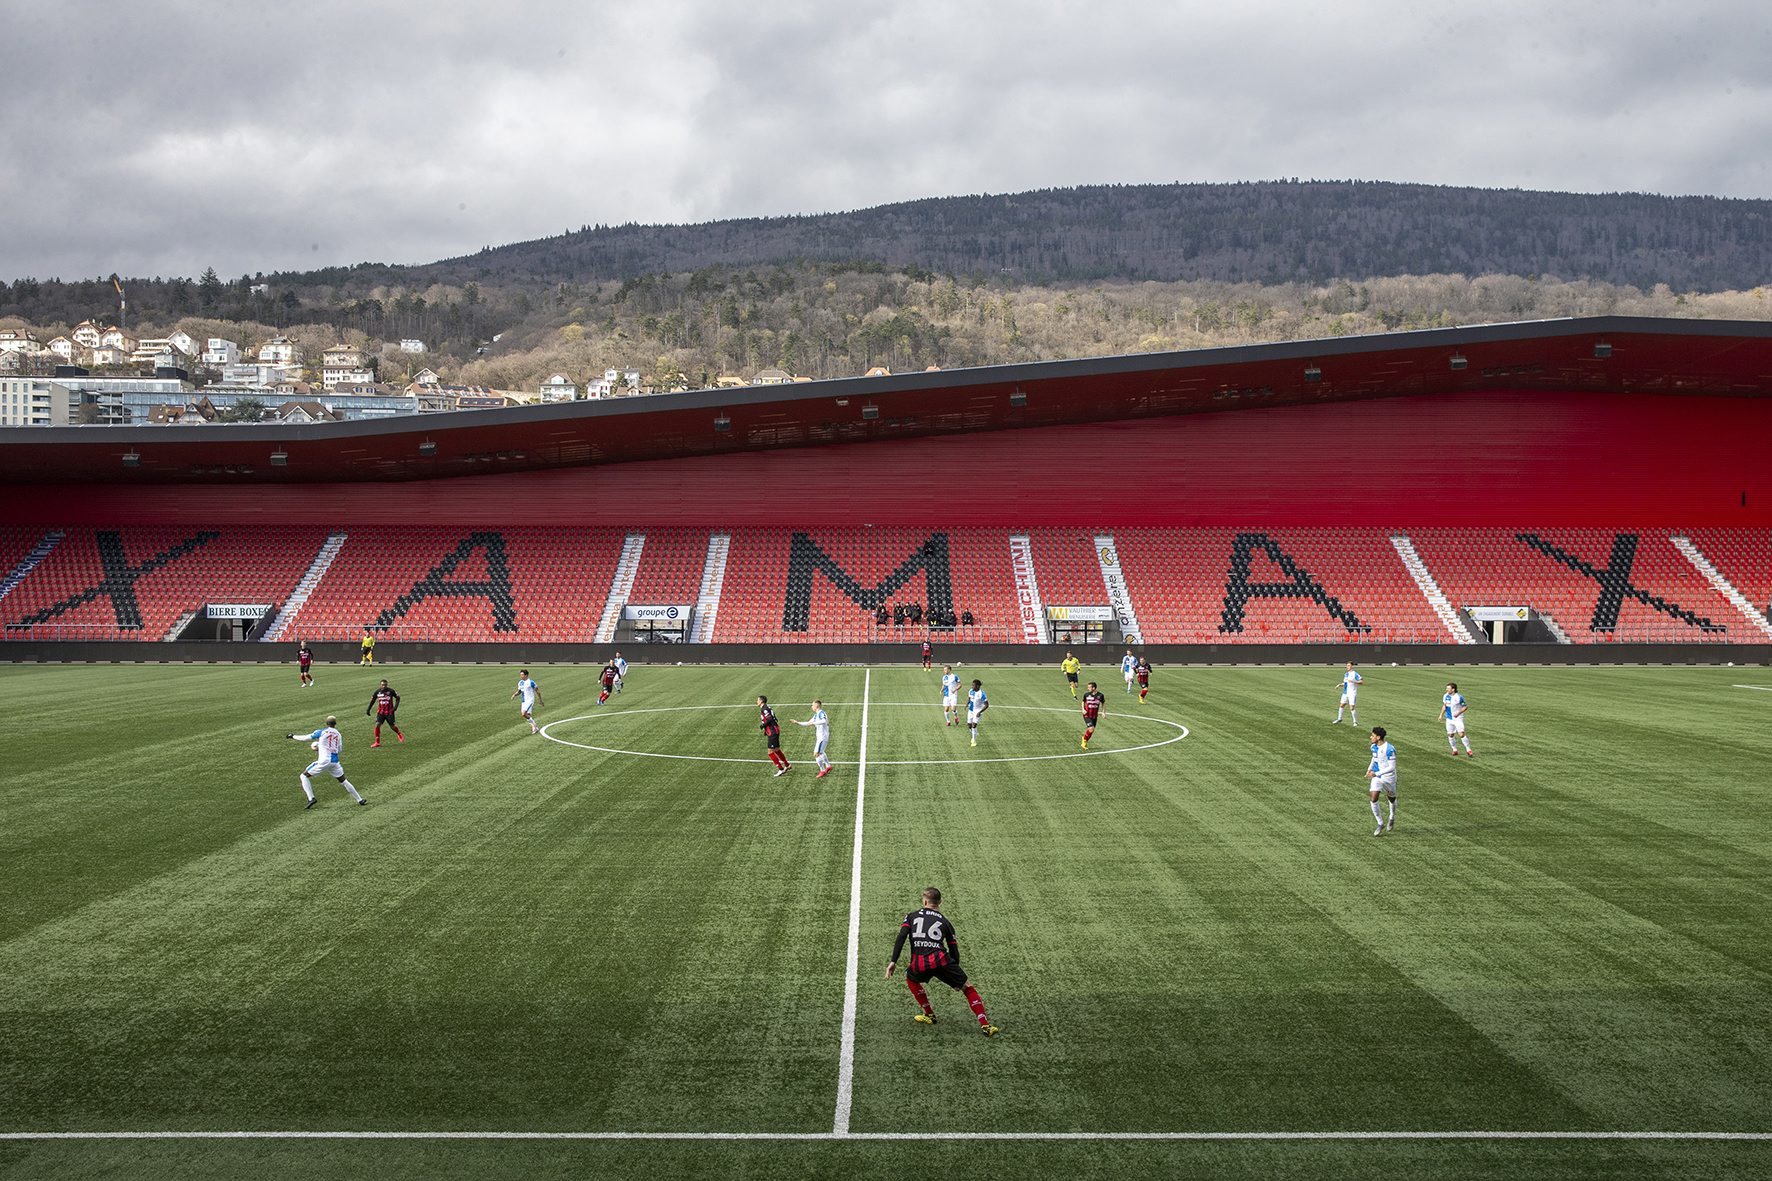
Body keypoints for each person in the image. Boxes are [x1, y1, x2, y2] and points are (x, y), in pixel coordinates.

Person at [885, 886, 998, 1036]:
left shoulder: (911, 916)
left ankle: (929, 1014)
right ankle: (985, 1025)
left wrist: (893, 961)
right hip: (941, 961)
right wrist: (956, 978)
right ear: (940, 902)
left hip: (919, 963)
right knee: (968, 988)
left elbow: (901, 937)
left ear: (925, 902)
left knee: (911, 978)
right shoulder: (946, 922)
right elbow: (954, 950)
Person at [286, 715, 366, 809]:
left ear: (326, 723)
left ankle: (311, 798)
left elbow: (305, 738)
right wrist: (322, 747)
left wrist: (293, 736)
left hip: (324, 761)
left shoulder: (321, 732)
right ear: (335, 724)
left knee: (303, 776)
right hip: (335, 762)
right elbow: (339, 749)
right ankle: (360, 799)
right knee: (343, 781)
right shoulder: (338, 734)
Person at [1366, 726, 1397, 836]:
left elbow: (1392, 767)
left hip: (1389, 777)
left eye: (1373, 735)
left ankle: (1392, 816)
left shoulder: (1389, 749)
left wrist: (1377, 773)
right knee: (1373, 798)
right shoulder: (1373, 747)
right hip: (1377, 777)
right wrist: (1369, 769)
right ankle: (1380, 823)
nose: (1371, 737)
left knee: (1391, 798)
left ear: (1378, 737)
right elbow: (1374, 759)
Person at [793, 698, 833, 778]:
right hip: (820, 737)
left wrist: (814, 722)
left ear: (816, 706)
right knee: (821, 752)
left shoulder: (821, 713)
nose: (811, 706)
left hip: (823, 737)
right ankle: (828, 766)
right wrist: (797, 722)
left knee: (816, 754)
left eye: (812, 705)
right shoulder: (816, 715)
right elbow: (808, 723)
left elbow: (824, 721)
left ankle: (822, 770)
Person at [365, 678, 405, 747]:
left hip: (389, 712)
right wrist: (368, 709)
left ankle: (399, 734)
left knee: (392, 726)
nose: (384, 686)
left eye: (385, 685)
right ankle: (377, 742)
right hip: (381, 712)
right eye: (382, 685)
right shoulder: (377, 692)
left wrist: (395, 707)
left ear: (387, 685)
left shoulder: (391, 691)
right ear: (380, 685)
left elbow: (398, 698)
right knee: (377, 724)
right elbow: (373, 700)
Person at [759, 695, 791, 776]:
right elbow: (774, 718)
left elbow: (770, 719)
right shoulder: (767, 707)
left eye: (758, 700)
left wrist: (763, 726)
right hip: (774, 730)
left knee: (770, 752)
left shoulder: (765, 708)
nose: (757, 701)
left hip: (772, 731)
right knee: (777, 749)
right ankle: (787, 765)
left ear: (761, 701)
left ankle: (781, 769)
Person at [1441, 682, 1475, 757]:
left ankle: (1468, 750)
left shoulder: (1459, 697)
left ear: (1453, 689)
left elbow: (1465, 707)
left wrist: (1458, 713)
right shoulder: (1445, 696)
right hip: (1449, 719)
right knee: (1450, 734)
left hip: (1458, 718)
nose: (1446, 689)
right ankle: (1454, 750)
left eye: (1448, 688)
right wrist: (1441, 715)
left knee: (1461, 734)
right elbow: (1444, 706)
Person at [510, 669, 542, 735]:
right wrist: (514, 695)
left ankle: (535, 726)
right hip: (523, 701)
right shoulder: (520, 682)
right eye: (520, 675)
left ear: (526, 675)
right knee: (528, 715)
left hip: (530, 700)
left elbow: (537, 691)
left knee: (523, 714)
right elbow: (519, 691)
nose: (521, 676)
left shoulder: (531, 682)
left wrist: (540, 700)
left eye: (522, 675)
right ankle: (534, 727)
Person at [1080, 681, 1105, 749]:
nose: (1088, 688)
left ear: (1094, 688)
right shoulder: (1086, 694)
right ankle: (1084, 740)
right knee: (1091, 729)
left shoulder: (1100, 695)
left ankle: (1084, 740)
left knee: (1092, 730)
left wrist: (1103, 712)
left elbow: (1103, 703)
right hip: (1087, 714)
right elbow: (1083, 701)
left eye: (1089, 687)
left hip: (1094, 716)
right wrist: (1083, 709)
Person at [966, 679, 988, 748]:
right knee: (969, 725)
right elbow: (969, 698)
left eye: (973, 685)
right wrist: (967, 704)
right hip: (971, 710)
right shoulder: (971, 691)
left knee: (974, 725)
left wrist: (980, 712)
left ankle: (973, 740)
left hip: (977, 711)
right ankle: (974, 732)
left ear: (978, 686)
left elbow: (987, 705)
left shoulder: (982, 694)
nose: (972, 686)